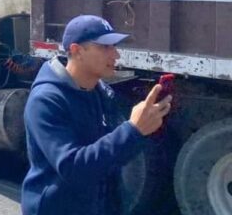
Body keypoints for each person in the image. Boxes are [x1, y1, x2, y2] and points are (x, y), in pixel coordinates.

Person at [21, 15, 173, 215]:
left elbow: (109, 160)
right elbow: (73, 168)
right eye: (105, 47)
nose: (115, 55)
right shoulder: (46, 101)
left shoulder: (100, 92)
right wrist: (132, 130)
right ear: (77, 51)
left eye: (114, 46)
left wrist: (146, 128)